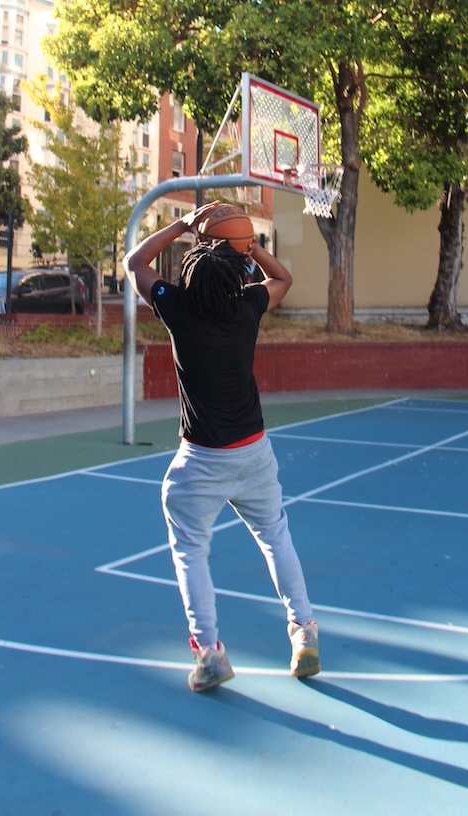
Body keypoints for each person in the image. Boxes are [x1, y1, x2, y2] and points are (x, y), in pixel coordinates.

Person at [123, 201, 320, 692]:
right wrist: (251, 248)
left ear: (193, 268)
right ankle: (304, 631)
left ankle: (209, 653)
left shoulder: (178, 308)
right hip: (254, 450)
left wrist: (182, 225)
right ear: (238, 267)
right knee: (276, 538)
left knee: (191, 551)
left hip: (202, 460)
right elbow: (284, 280)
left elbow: (134, 264)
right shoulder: (247, 305)